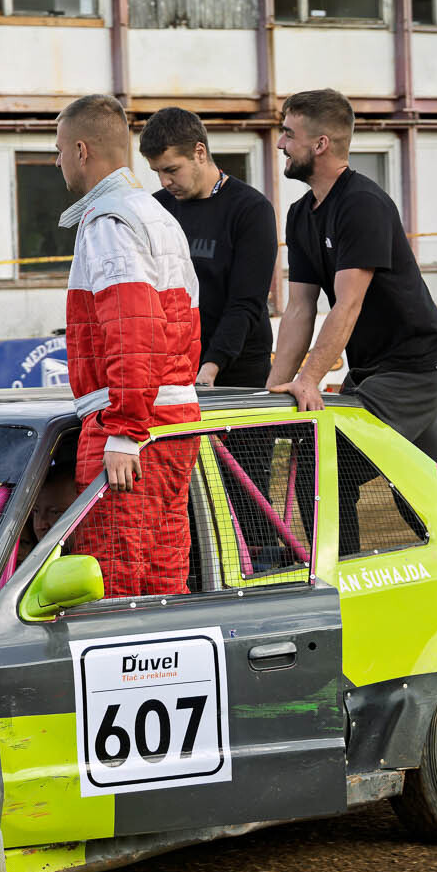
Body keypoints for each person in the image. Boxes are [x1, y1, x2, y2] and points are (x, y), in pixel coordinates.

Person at [266, 88, 437, 480]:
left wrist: (309, 380)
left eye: (289, 134)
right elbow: (300, 308)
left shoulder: (362, 204)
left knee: (325, 469)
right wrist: (274, 389)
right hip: (372, 369)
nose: (281, 144)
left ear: (320, 144)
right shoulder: (300, 214)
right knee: (433, 482)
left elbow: (348, 304)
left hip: (413, 369)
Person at [55, 93, 202, 601]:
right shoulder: (154, 214)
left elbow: (134, 330)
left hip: (134, 425)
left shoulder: (109, 220)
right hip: (171, 420)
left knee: (113, 582)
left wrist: (123, 430)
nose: (57, 162)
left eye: (58, 151)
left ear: (81, 150)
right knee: (162, 579)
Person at [139, 106, 277, 387]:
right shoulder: (155, 208)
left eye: (171, 170)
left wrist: (211, 367)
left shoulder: (250, 209)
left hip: (238, 368)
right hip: (175, 365)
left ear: (199, 152)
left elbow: (246, 302)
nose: (165, 182)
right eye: (157, 172)